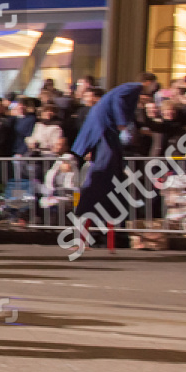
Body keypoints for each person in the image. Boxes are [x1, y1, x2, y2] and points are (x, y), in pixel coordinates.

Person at [71, 72, 160, 246]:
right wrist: (122, 124)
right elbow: (119, 101)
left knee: (109, 177)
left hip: (106, 133)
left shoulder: (132, 92)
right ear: (147, 82)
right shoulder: (133, 87)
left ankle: (100, 223)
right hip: (106, 131)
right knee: (103, 176)